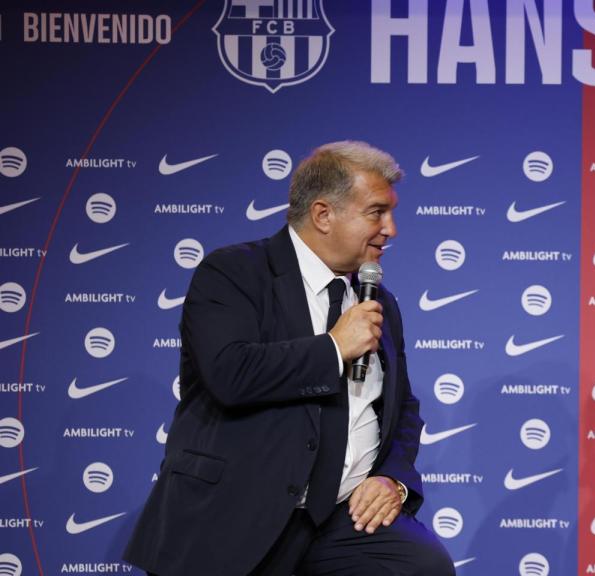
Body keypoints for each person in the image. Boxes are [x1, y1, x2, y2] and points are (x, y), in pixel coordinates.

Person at [124, 141, 455, 576]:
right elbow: (231, 374)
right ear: (323, 215)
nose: (390, 229)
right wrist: (334, 349)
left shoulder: (379, 301)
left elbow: (402, 408)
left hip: (338, 517)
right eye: (376, 212)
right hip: (237, 514)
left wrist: (390, 478)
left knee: (421, 566)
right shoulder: (233, 273)